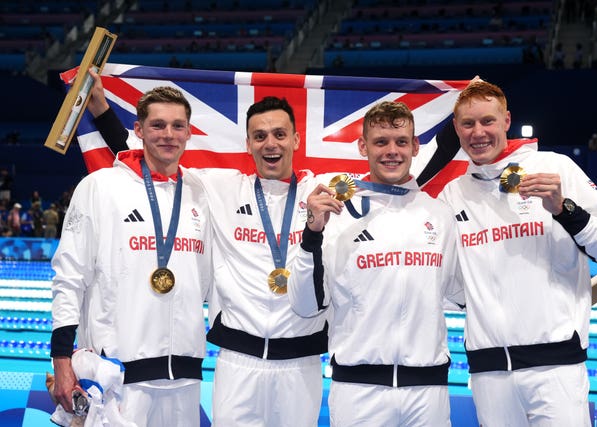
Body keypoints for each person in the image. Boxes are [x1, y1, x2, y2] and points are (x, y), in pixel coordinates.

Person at [86, 71, 465, 426]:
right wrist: (102, 111)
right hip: (237, 364)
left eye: (280, 134)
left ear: (296, 140)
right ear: (248, 143)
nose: (271, 143)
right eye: (261, 135)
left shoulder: (326, 191)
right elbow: (155, 155)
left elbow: (403, 167)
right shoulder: (218, 188)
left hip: (301, 365)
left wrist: (461, 114)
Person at [439, 80, 597, 426]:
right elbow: (448, 282)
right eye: (468, 124)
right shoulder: (452, 195)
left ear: (506, 120)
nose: (478, 132)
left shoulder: (555, 168)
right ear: (456, 128)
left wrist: (564, 209)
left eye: (487, 121)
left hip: (556, 368)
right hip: (489, 373)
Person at [288, 101, 464, 426]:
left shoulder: (438, 215)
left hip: (427, 392)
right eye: (381, 142)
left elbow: (462, 294)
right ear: (362, 146)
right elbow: (304, 303)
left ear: (415, 147)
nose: (391, 152)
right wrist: (312, 233)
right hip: (358, 391)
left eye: (400, 142)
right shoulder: (336, 215)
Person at [50, 85, 215, 426]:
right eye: (157, 125)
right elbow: (69, 277)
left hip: (184, 378)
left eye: (177, 126)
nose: (168, 134)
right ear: (138, 130)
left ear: (188, 132)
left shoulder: (202, 191)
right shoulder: (100, 187)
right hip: (118, 379)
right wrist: (61, 361)